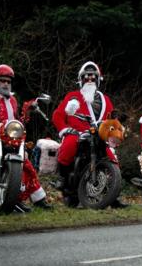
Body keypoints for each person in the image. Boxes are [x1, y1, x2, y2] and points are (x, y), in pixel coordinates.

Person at [0, 64, 51, 212]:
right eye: (2, 80)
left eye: (8, 81)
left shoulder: (12, 100)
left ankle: (33, 199)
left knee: (24, 160)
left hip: (6, 139)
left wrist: (28, 111)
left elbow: (15, 120)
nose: (6, 84)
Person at [52, 61, 127, 208]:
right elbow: (58, 115)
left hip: (98, 136)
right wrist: (64, 129)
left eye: (93, 78)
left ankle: (113, 196)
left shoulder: (105, 100)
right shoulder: (73, 96)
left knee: (112, 159)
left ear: (98, 80)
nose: (90, 80)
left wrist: (116, 129)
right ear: (81, 80)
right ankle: (62, 179)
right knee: (69, 145)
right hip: (77, 133)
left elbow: (111, 119)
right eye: (86, 78)